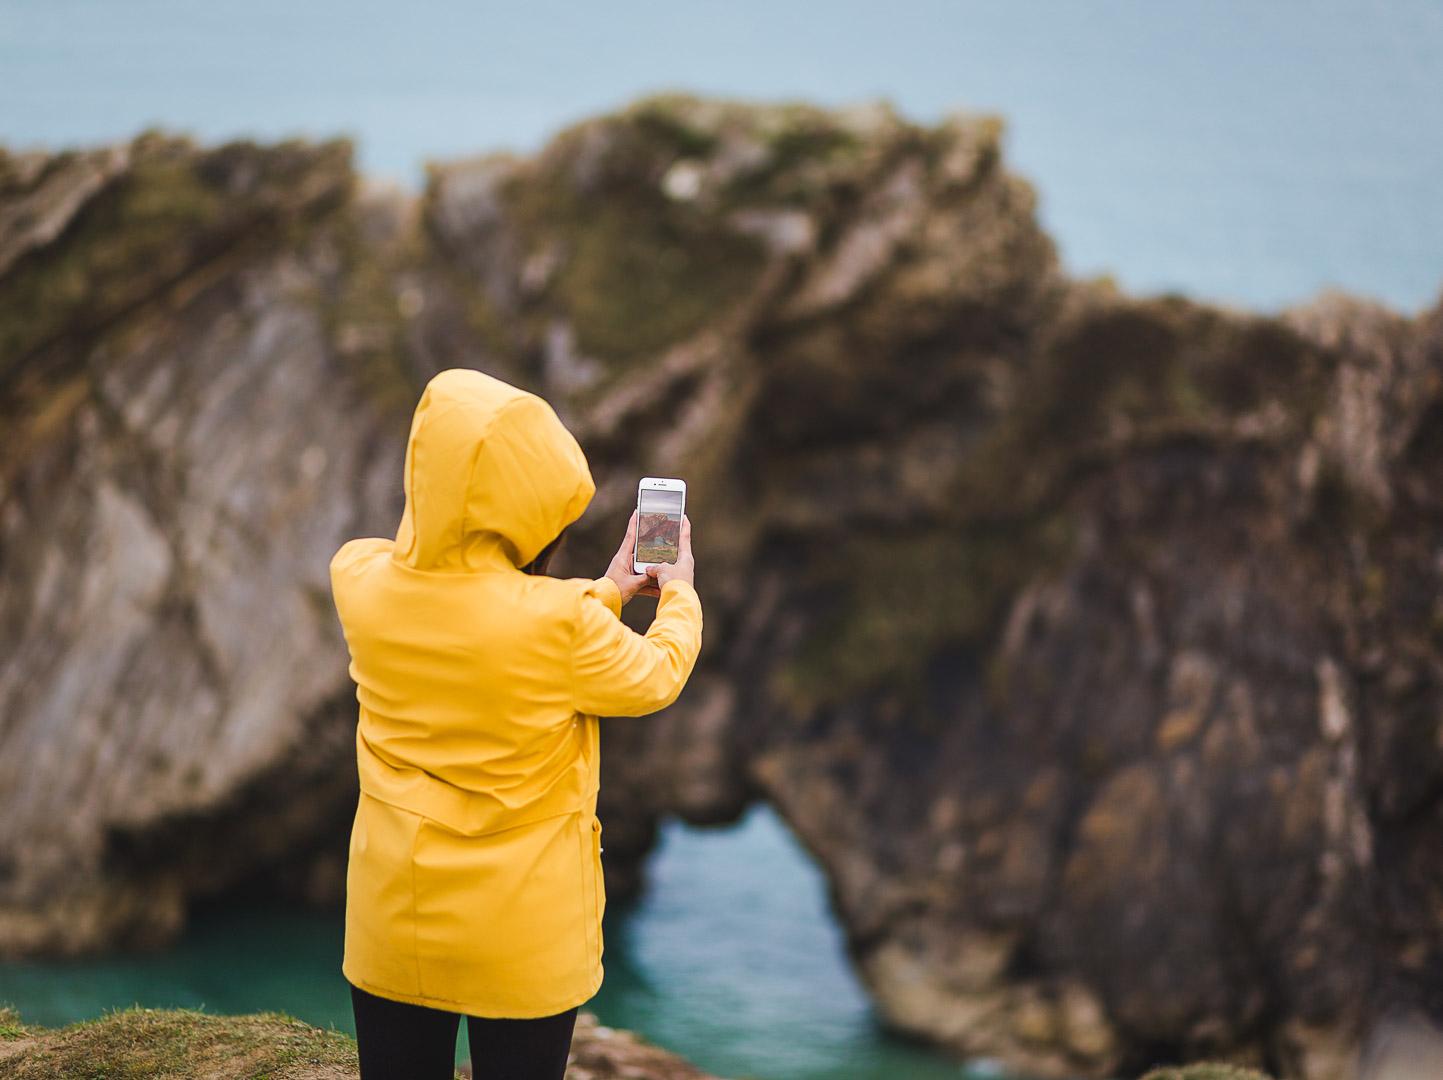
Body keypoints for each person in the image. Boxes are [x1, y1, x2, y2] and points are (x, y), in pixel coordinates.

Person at [328, 367, 703, 1079]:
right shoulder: (558, 625)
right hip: (521, 937)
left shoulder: (360, 580)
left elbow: (475, 621)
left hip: (394, 918)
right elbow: (654, 675)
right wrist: (673, 591)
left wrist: (608, 589)